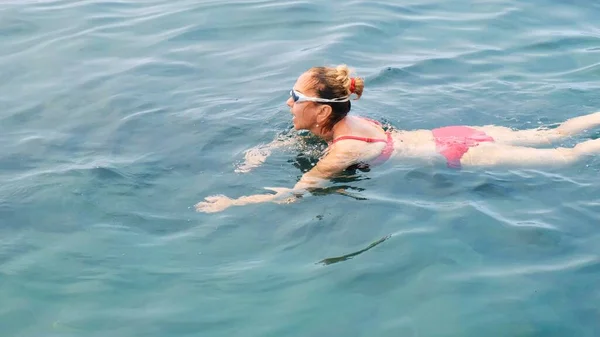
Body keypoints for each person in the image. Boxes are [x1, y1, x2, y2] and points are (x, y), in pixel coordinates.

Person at [195, 64, 600, 213]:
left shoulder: (345, 149)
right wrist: (260, 151)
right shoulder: (344, 123)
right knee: (558, 133)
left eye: (296, 97)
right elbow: (297, 141)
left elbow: (296, 192)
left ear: (320, 110)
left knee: (568, 157)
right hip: (452, 134)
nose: (288, 102)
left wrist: (235, 202)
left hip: (463, 155)